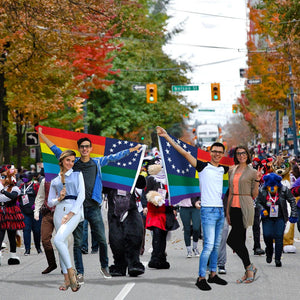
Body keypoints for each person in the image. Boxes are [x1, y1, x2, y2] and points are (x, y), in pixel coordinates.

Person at [38, 127, 142, 283]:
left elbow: (115, 156)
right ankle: (80, 272)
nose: (85, 149)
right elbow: (56, 150)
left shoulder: (97, 162)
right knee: (78, 243)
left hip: (93, 207)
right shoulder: (73, 164)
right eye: (82, 147)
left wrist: (132, 149)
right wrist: (41, 135)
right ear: (79, 149)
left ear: (91, 149)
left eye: (87, 146)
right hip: (77, 209)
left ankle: (104, 267)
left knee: (101, 239)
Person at [156, 126, 228, 291]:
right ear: (210, 152)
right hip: (208, 210)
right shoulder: (202, 167)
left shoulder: (223, 169)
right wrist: (167, 136)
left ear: (223, 154)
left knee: (216, 245)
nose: (217, 154)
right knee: (209, 245)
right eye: (214, 151)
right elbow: (184, 153)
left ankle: (213, 274)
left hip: (219, 210)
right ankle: (201, 277)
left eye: (220, 152)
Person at [48, 150, 85, 292]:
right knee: (61, 243)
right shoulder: (55, 180)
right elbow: (50, 203)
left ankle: (71, 274)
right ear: (62, 161)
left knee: (58, 240)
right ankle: (66, 279)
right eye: (68, 160)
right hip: (59, 211)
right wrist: (58, 199)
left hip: (73, 211)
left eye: (72, 160)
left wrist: (70, 214)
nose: (70, 163)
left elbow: (81, 196)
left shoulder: (77, 175)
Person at [226, 146, 262, 284]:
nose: (241, 156)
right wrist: (227, 211)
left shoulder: (252, 172)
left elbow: (254, 195)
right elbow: (230, 192)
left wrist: (258, 181)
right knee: (239, 241)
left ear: (247, 155)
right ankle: (248, 270)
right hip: (233, 206)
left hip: (245, 205)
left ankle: (249, 267)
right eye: (238, 154)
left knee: (232, 240)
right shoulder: (232, 170)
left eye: (243, 153)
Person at [142, 156, 179, 269]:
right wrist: (153, 199)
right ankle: (155, 258)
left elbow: (173, 194)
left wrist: (174, 207)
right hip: (155, 211)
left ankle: (162, 258)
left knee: (163, 235)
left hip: (166, 211)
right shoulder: (151, 179)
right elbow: (147, 193)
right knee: (157, 234)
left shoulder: (168, 180)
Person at [257, 172, 298, 267]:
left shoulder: (284, 190)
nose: (272, 189)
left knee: (279, 237)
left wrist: (294, 214)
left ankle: (278, 259)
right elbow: (258, 202)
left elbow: (292, 200)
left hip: (280, 217)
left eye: (274, 186)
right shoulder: (262, 190)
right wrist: (262, 210)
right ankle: (269, 251)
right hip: (267, 218)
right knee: (267, 235)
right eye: (270, 186)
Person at [0, 165, 25, 266]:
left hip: (11, 212)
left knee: (11, 235)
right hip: (1, 211)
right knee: (0, 234)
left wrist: (3, 191)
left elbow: (13, 196)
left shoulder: (14, 188)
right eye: (2, 177)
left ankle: (13, 255)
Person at [34, 178, 57, 274]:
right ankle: (52, 264)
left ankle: (65, 265)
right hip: (47, 213)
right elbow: (40, 197)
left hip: (61, 213)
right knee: (45, 239)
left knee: (62, 241)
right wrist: (36, 211)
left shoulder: (67, 178)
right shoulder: (45, 181)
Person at [19, 173, 42, 255]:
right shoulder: (21, 186)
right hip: (25, 212)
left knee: (37, 231)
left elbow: (40, 196)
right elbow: (17, 196)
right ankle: (27, 249)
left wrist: (36, 205)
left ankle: (38, 248)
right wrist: (18, 203)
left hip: (35, 212)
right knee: (26, 230)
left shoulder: (36, 186)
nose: (24, 180)